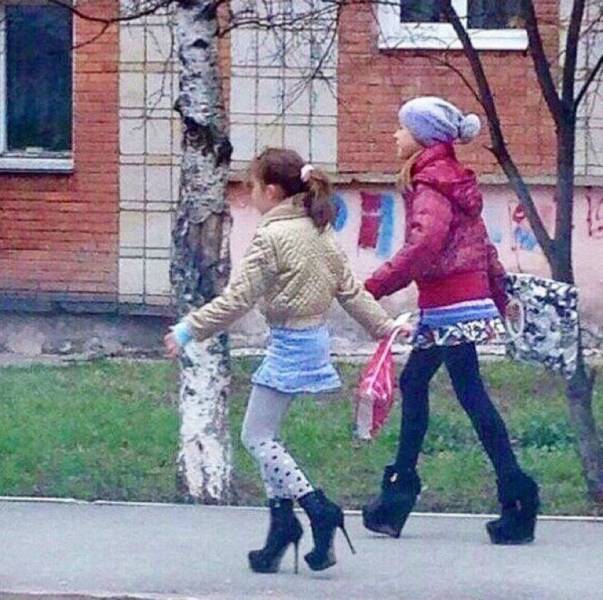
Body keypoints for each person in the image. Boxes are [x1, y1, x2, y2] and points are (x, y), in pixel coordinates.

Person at [164, 147, 397, 572]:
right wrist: (384, 327)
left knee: (256, 437)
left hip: (290, 343)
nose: (249, 193)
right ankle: (281, 529)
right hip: (311, 340)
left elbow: (238, 299)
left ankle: (317, 507)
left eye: (252, 186)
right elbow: (349, 290)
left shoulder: (272, 237)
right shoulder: (319, 231)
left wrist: (189, 329)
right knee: (266, 433)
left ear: (271, 192)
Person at [361, 97, 539, 545]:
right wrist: (496, 293)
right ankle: (401, 496)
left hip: (451, 302)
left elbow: (424, 246)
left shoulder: (431, 183)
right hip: (455, 299)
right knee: (423, 383)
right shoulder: (451, 178)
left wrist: (373, 287)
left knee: (466, 392)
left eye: (402, 129)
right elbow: (481, 245)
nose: (395, 135)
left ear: (423, 137)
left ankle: (514, 494)